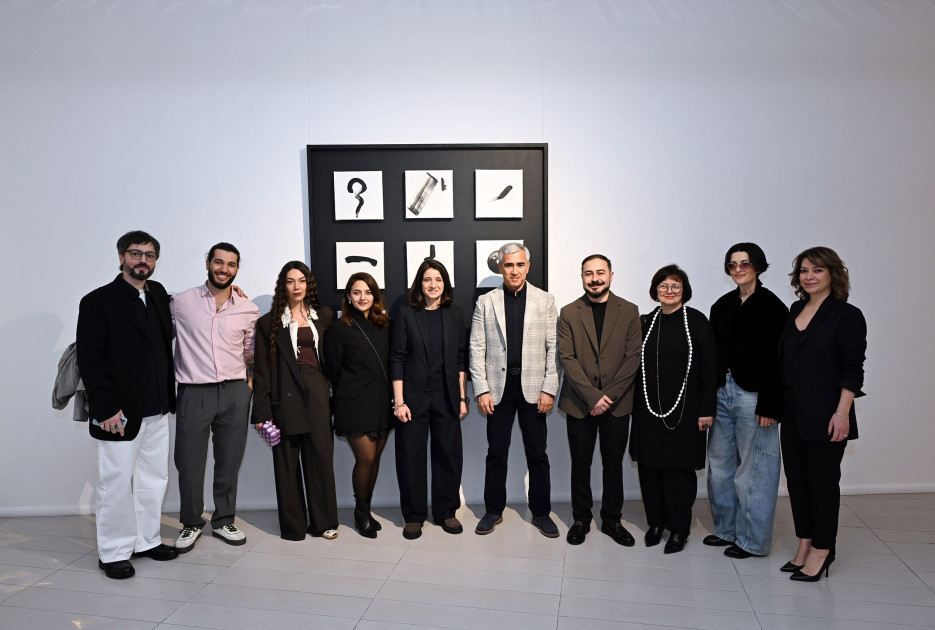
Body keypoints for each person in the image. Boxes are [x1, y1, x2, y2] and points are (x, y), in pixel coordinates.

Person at [76, 230, 178, 579]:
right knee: (116, 482)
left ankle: (146, 541)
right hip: (118, 412)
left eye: (149, 255)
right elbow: (91, 360)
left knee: (154, 479)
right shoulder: (97, 301)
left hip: (158, 407)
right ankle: (114, 552)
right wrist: (105, 409)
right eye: (136, 254)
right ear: (121, 257)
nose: (142, 261)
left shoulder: (159, 294)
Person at [779, 246, 866, 581]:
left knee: (822, 484)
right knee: (797, 482)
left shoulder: (847, 315)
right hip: (793, 412)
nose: (809, 276)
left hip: (828, 414)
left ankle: (823, 549)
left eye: (817, 270)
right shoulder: (795, 309)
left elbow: (852, 369)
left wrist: (842, 414)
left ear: (832, 274)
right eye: (804, 270)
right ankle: (805, 543)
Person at [171, 243, 259, 552]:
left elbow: (250, 351)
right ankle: (191, 522)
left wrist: (248, 385)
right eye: (218, 262)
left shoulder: (248, 308)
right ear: (208, 263)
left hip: (235, 392)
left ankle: (223, 520)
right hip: (194, 391)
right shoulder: (180, 303)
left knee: (229, 460)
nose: (224, 269)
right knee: (189, 462)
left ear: (237, 269)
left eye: (231, 264)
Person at [469, 242, 561, 538]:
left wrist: (549, 388)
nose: (514, 270)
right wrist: (481, 389)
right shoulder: (486, 302)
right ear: (500, 267)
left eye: (520, 264)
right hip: (498, 389)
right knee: (496, 453)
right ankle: (493, 511)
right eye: (509, 265)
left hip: (534, 389)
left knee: (538, 454)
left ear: (528, 266)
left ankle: (541, 513)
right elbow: (476, 347)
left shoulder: (545, 300)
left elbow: (554, 348)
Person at [704, 243, 788, 559]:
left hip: (754, 396)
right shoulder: (722, 305)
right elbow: (712, 354)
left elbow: (778, 359)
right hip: (722, 393)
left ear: (758, 266)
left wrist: (770, 403)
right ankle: (726, 529)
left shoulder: (773, 306)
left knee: (755, 470)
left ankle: (753, 540)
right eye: (733, 264)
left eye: (745, 263)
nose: (738, 269)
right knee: (720, 466)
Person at [631, 264, 717, 554]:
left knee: (679, 472)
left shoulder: (697, 322)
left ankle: (679, 529)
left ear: (684, 291)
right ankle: (656, 524)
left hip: (686, 411)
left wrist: (706, 409)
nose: (669, 291)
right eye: (663, 286)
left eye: (675, 286)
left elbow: (710, 370)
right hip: (648, 410)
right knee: (650, 469)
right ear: (655, 290)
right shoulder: (644, 323)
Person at [558, 254, 642, 546]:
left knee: (613, 465)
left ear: (611, 275)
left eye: (600, 272)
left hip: (617, 405)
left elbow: (633, 358)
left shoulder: (629, 310)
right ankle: (581, 518)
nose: (594, 279)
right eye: (588, 273)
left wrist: (608, 397)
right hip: (579, 403)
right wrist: (593, 397)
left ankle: (612, 520)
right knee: (580, 465)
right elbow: (567, 358)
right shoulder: (569, 312)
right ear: (582, 277)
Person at [252, 261, 339, 540]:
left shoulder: (325, 316)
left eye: (301, 280)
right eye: (290, 281)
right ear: (283, 286)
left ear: (308, 284)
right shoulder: (267, 323)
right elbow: (262, 371)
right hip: (284, 394)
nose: (296, 286)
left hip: (317, 392)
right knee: (286, 464)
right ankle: (293, 527)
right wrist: (261, 412)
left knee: (320, 459)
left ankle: (324, 523)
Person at [390, 260, 469, 540]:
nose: (433, 285)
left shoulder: (455, 314)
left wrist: (462, 398)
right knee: (410, 456)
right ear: (419, 284)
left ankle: (446, 511)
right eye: (427, 279)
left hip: (447, 396)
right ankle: (413, 516)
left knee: (448, 455)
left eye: (438, 279)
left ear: (445, 284)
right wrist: (399, 402)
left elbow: (460, 359)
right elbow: (397, 358)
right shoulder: (405, 313)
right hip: (413, 398)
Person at [323, 272, 393, 538]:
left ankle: (366, 510)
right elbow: (332, 370)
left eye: (368, 292)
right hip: (352, 404)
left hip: (381, 402)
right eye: (356, 292)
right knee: (366, 459)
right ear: (348, 297)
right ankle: (360, 514)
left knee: (375, 461)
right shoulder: (338, 329)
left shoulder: (384, 325)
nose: (363, 297)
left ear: (375, 296)